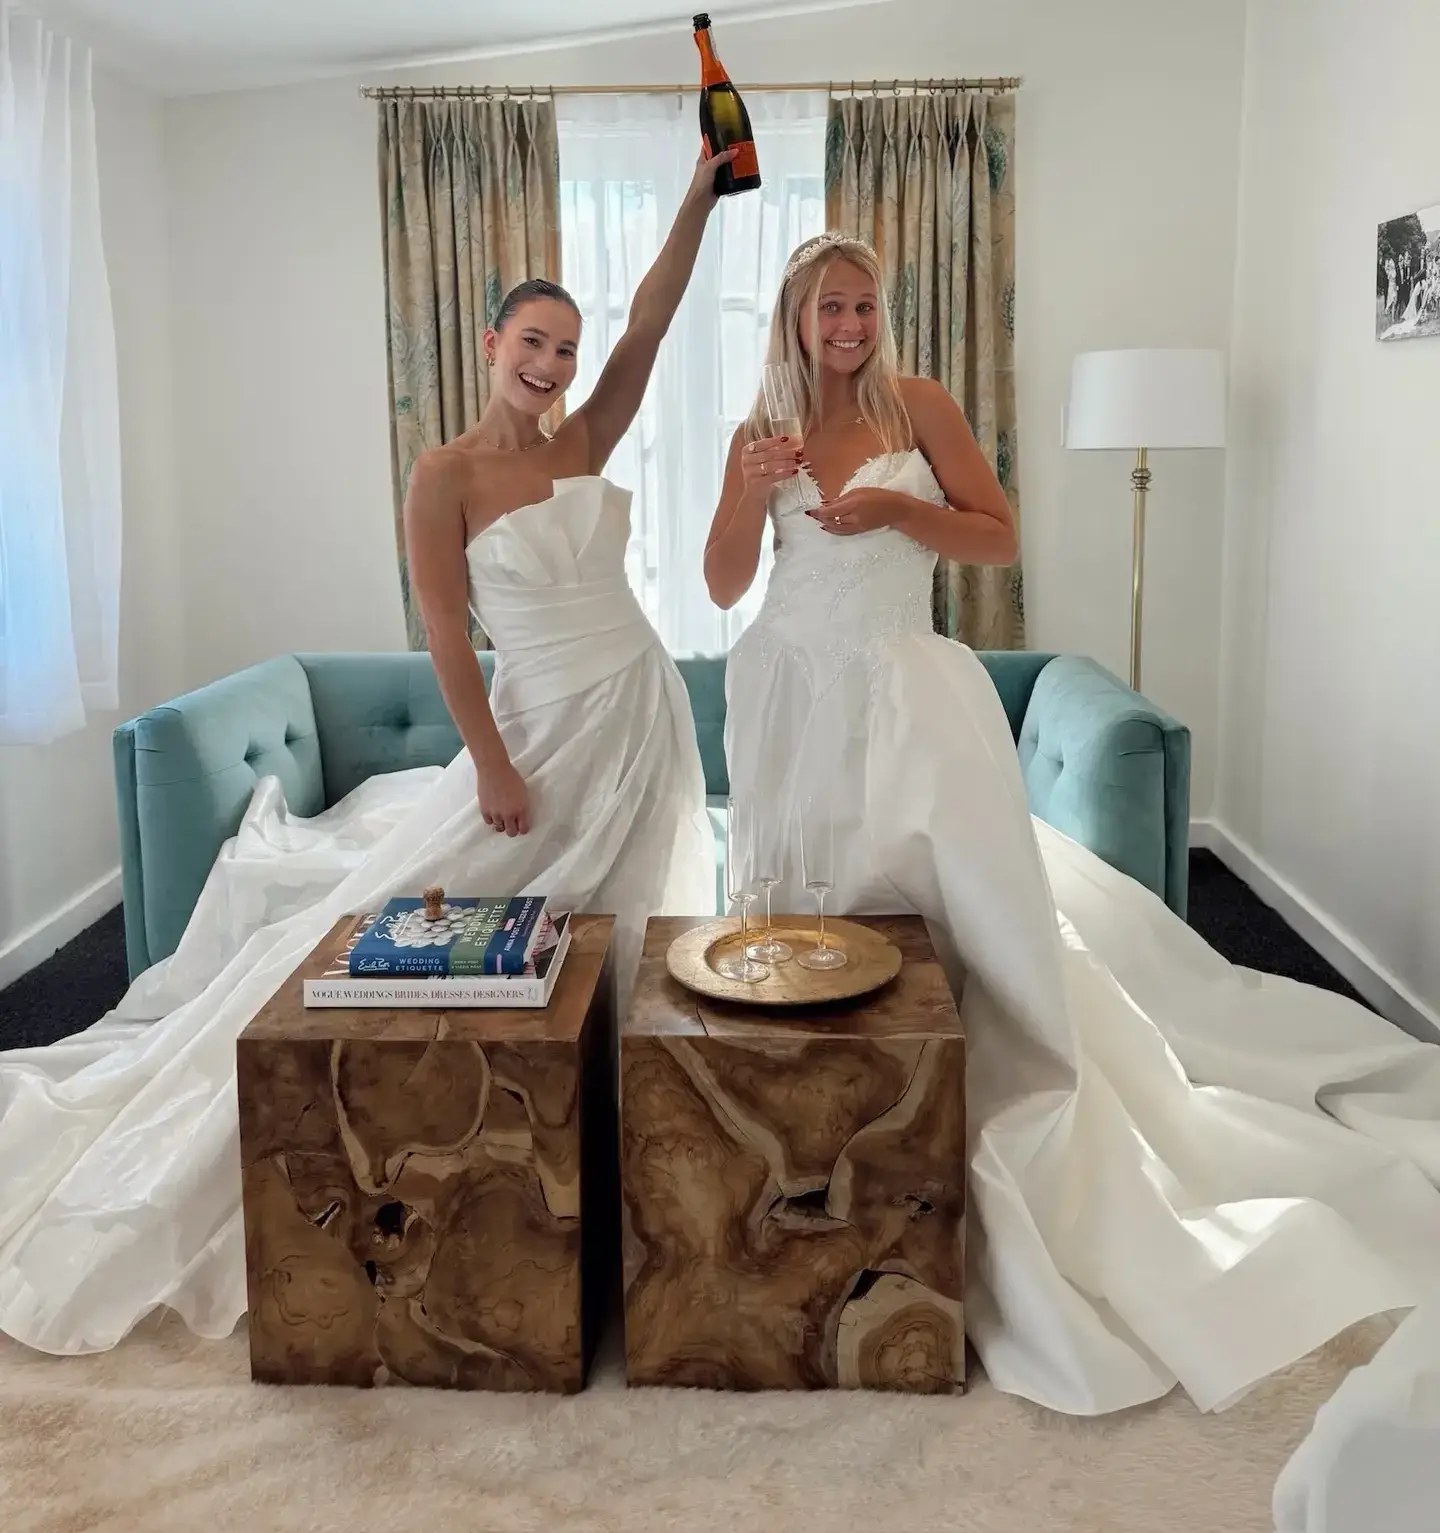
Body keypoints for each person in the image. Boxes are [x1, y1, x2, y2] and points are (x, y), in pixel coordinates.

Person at [0, 150, 739, 1357]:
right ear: (491, 340)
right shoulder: (443, 474)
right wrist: (491, 765)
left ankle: (602, 1152)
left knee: (629, 929)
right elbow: (448, 635)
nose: (553, 366)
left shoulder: (584, 438)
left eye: (567, 346)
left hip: (637, 710)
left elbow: (654, 323)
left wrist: (700, 196)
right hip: (540, 728)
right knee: (458, 922)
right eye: (533, 343)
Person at [708, 231, 1440, 1417]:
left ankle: (955, 1129)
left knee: (931, 937)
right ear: (793, 320)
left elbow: (997, 536)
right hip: (794, 694)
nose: (848, 326)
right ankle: (816, 1138)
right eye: (827, 310)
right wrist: (750, 493)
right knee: (810, 933)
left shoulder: (922, 403)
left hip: (902, 689)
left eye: (862, 306)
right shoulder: (759, 435)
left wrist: (899, 512)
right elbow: (723, 581)